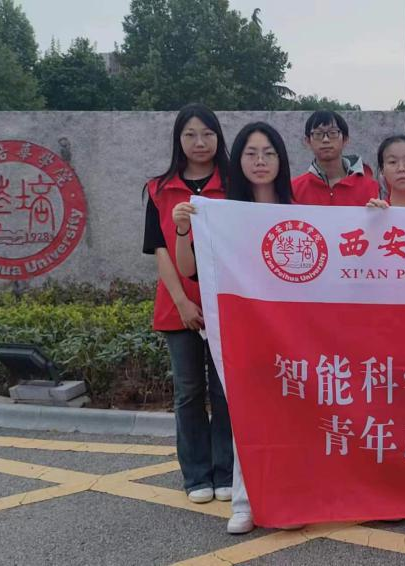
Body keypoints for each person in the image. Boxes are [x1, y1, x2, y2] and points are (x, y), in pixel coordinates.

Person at [171, 122, 304, 535]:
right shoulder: (221, 212)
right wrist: (182, 228)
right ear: (238, 161)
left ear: (281, 160)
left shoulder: (300, 209)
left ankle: (291, 499)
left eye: (269, 153)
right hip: (245, 331)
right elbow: (189, 269)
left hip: (294, 334)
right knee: (247, 416)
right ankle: (246, 502)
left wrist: (375, 214)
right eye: (251, 153)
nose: (260, 161)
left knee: (292, 418)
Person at [140, 103, 233, 507]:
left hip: (225, 306)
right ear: (178, 139)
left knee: (224, 392)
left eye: (208, 134)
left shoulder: (234, 184)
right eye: (190, 134)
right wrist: (181, 302)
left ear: (218, 137)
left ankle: (226, 471)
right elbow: (157, 248)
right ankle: (196, 474)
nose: (200, 142)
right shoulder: (159, 189)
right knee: (189, 392)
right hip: (178, 307)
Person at [291, 110, 379, 206]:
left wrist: (381, 211)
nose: (325, 139)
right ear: (308, 141)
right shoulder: (293, 189)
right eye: (318, 134)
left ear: (345, 139)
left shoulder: (370, 187)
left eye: (333, 133)